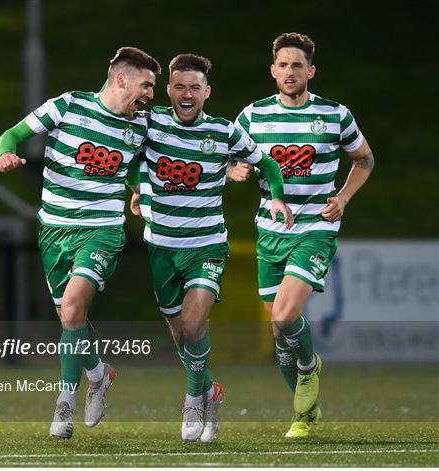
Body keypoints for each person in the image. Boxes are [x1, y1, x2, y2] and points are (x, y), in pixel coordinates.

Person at [0, 47, 161, 439]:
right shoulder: (68, 107)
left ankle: (64, 404)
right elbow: (13, 134)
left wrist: (137, 187)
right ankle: (99, 373)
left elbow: (147, 157)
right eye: (146, 85)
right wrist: (6, 154)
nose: (151, 95)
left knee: (71, 311)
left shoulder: (141, 124)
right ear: (121, 79)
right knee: (71, 319)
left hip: (102, 230)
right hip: (54, 230)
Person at [129, 53, 293, 443]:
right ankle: (210, 391)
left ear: (207, 92)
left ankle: (192, 403)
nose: (187, 94)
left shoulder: (224, 132)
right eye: (180, 86)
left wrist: (277, 197)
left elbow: (267, 164)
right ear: (168, 90)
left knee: (193, 324)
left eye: (195, 88)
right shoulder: (150, 124)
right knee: (182, 339)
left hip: (206, 245)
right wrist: (136, 188)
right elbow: (128, 157)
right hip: (161, 247)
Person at [235, 32, 374, 438]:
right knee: (279, 335)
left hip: (315, 228)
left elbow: (364, 158)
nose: (290, 71)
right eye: (284, 64)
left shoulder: (335, 114)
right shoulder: (252, 116)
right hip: (268, 230)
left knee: (285, 315)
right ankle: (305, 414)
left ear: (310, 71)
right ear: (273, 71)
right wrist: (235, 170)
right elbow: (229, 159)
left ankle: (311, 366)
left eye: (298, 65)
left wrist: (344, 198)